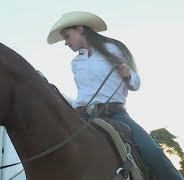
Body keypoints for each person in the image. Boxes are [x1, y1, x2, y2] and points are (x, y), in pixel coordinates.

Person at [47, 11, 183, 180]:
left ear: (80, 29)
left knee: (154, 153)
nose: (66, 43)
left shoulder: (113, 49)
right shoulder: (75, 63)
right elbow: (83, 94)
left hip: (115, 114)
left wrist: (127, 75)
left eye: (67, 36)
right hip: (82, 116)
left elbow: (136, 83)